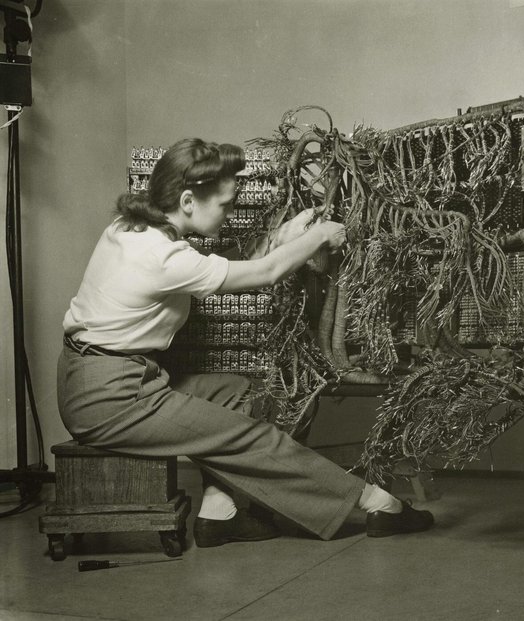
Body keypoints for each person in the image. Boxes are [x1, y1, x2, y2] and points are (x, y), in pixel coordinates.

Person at [57, 138, 433, 547]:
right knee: (249, 435)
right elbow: (265, 273)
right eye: (225, 205)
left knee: (237, 394)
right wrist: (320, 234)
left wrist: (286, 239)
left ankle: (220, 514)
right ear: (187, 200)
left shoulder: (133, 230)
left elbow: (230, 264)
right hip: (111, 398)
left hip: (109, 377)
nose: (230, 213)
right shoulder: (161, 257)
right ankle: (375, 502)